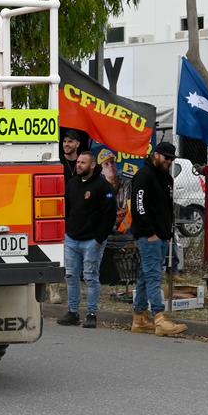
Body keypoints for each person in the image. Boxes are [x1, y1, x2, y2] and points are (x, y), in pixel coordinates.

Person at [128, 141, 187, 337]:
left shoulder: (166, 179)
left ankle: (140, 317)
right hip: (148, 236)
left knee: (146, 276)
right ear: (156, 154)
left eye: (171, 158)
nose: (168, 161)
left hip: (161, 235)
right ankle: (159, 318)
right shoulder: (144, 176)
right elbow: (139, 207)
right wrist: (149, 232)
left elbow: (167, 209)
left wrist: (168, 234)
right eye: (165, 157)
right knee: (154, 275)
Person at [57, 152, 116, 329]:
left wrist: (99, 238)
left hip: (92, 241)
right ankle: (73, 312)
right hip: (72, 239)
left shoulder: (103, 186)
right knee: (71, 276)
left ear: (92, 165)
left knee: (90, 277)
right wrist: (66, 230)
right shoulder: (72, 184)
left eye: (83, 163)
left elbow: (109, 214)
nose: (79, 165)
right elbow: (66, 208)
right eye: (78, 162)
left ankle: (91, 314)